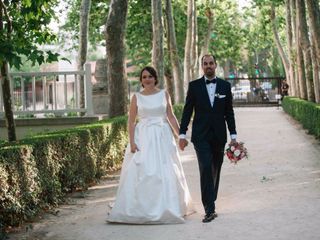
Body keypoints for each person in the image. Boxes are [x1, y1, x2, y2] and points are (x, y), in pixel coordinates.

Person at [107, 66, 193, 224]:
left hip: (162, 136)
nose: (147, 79)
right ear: (141, 80)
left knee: (166, 171)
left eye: (150, 76)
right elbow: (131, 121)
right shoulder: (136, 97)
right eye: (144, 77)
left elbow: (170, 116)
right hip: (144, 137)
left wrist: (180, 135)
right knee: (144, 171)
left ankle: (169, 206)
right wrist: (132, 143)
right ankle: (142, 208)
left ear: (155, 78)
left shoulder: (164, 94)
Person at [179, 54, 237, 223]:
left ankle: (211, 198)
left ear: (215, 65)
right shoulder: (194, 86)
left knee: (215, 169)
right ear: (202, 67)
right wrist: (182, 134)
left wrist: (233, 136)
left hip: (219, 136)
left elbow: (229, 113)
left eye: (211, 63)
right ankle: (209, 209)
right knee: (205, 168)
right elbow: (187, 111)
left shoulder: (225, 86)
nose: (208, 66)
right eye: (205, 64)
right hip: (200, 136)